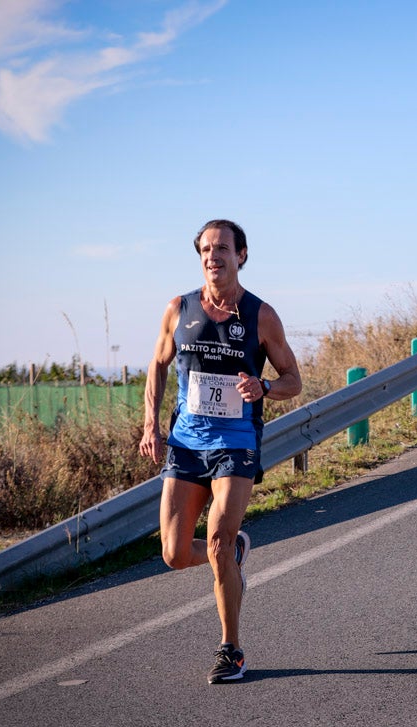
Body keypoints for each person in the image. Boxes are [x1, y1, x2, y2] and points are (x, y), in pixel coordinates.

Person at [139, 219, 302, 684]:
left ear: (241, 256)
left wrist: (264, 385)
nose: (213, 257)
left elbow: (294, 380)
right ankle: (233, 556)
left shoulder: (260, 315)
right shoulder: (179, 308)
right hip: (187, 443)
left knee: (217, 541)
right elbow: (157, 363)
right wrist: (151, 423)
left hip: (236, 444)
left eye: (223, 249)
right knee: (172, 553)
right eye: (206, 250)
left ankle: (231, 650)